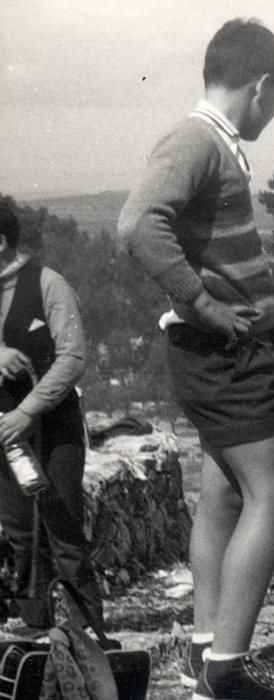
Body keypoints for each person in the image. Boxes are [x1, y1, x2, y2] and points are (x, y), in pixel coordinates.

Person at [118, 19, 274, 700]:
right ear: (260, 86)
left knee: (225, 492)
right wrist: (204, 304)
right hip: (225, 355)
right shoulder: (197, 139)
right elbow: (138, 224)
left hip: (217, 357)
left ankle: (206, 649)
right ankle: (228, 669)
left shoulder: (214, 143)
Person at [0, 204, 104, 630]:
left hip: (52, 427)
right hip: (6, 434)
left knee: (62, 529)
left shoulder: (47, 284)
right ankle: (36, 632)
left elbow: (73, 358)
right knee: (20, 532)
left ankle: (88, 634)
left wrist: (27, 411)